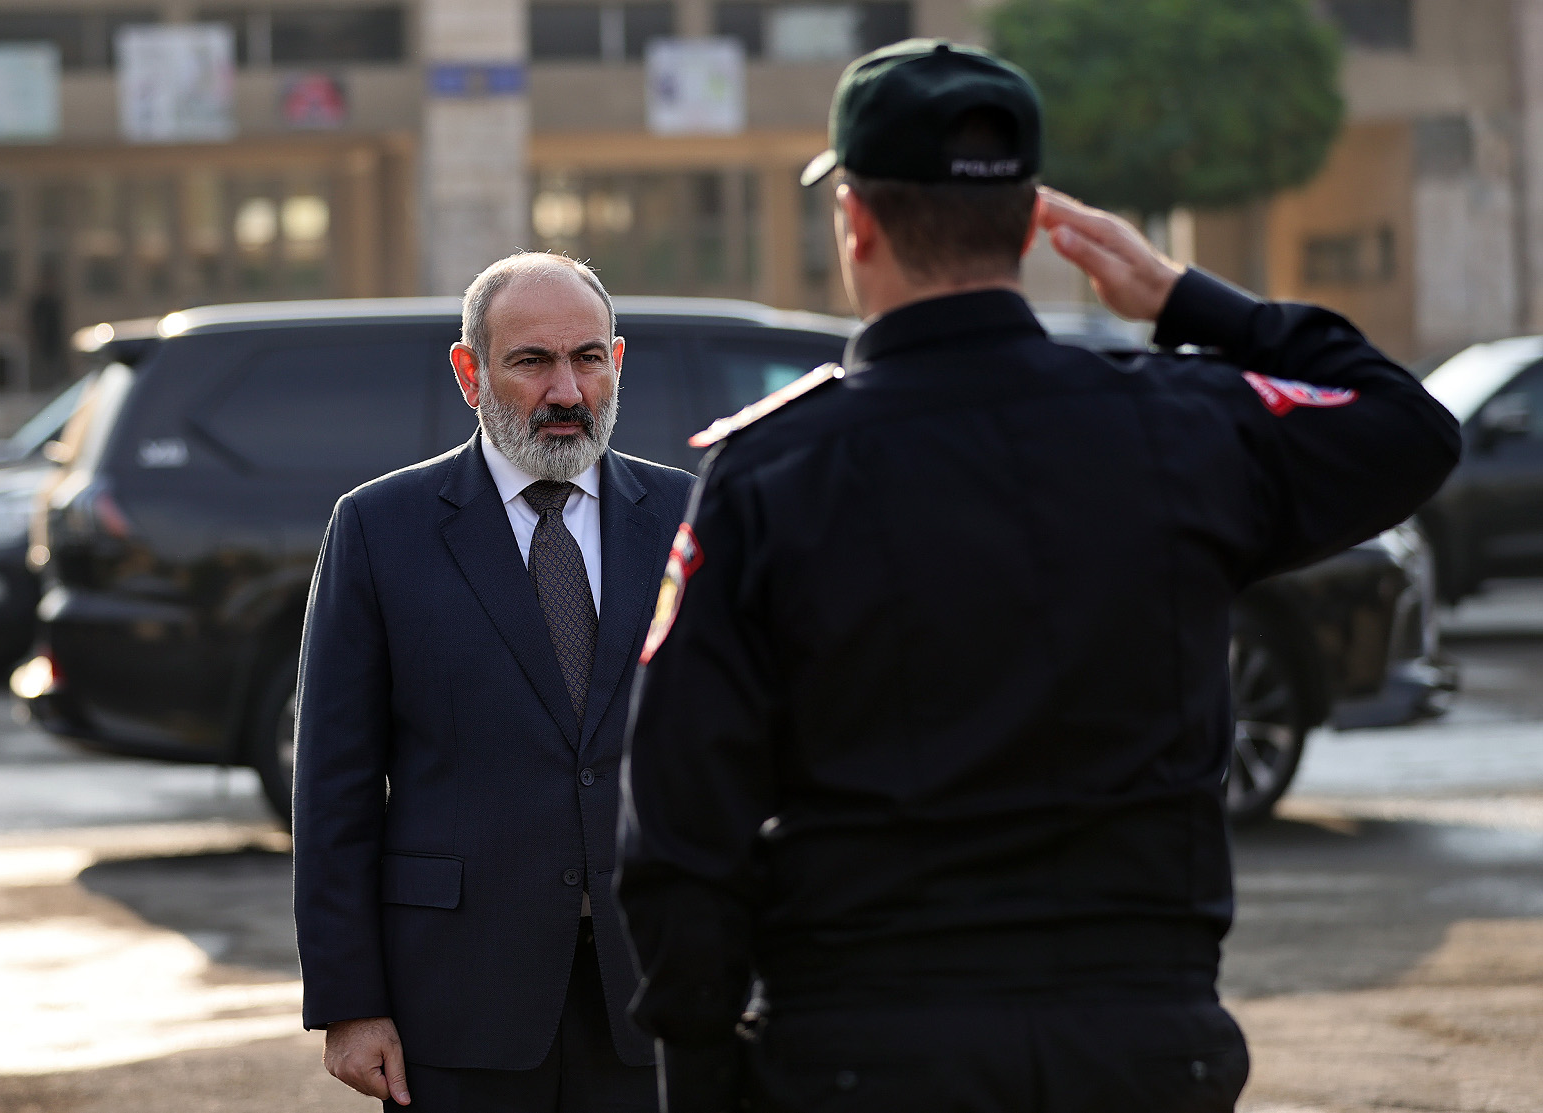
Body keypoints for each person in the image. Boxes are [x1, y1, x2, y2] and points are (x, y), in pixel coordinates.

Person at [616, 39, 1461, 1113]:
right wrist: (1182, 298)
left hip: (867, 1047)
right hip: (1142, 1047)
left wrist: (699, 1064)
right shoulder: (1183, 426)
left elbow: (682, 814)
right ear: (1028, 227)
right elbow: (1409, 427)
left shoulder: (774, 470)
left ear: (855, 221)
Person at [294, 252, 695, 1111]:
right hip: (457, 999)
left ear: (617, 362)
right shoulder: (378, 528)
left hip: (657, 989)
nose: (566, 390)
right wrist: (349, 1001)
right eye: (532, 361)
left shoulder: (690, 517)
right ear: (469, 371)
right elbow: (334, 787)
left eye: (587, 358)